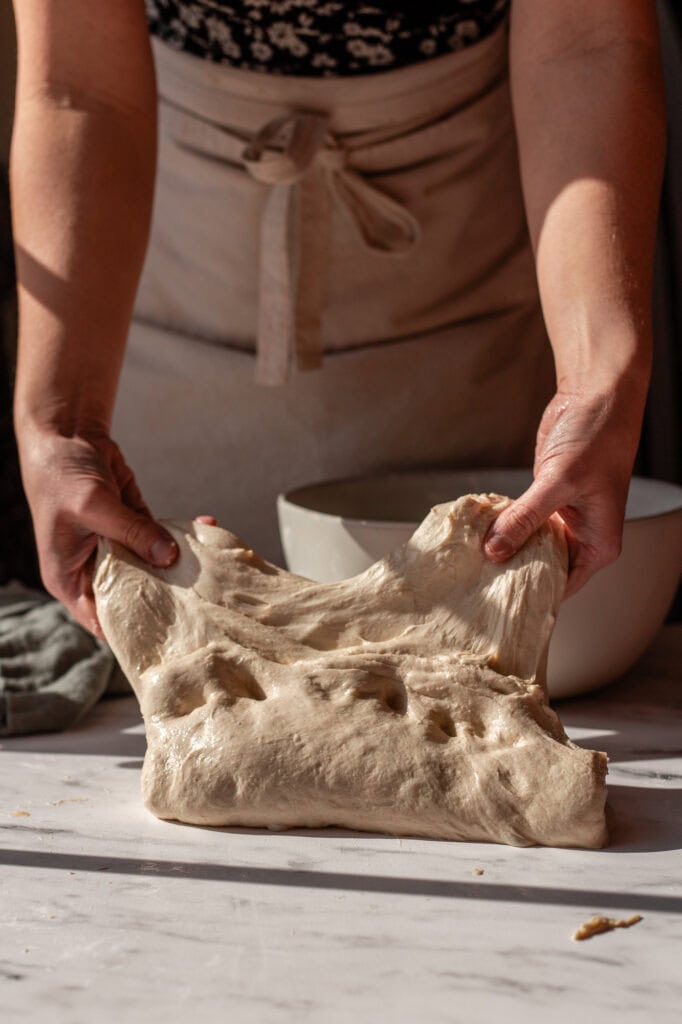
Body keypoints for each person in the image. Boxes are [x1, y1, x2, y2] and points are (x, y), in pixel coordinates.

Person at [9, 1, 665, 639]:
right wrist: (63, 421)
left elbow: (584, 44)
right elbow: (80, 85)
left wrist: (595, 378)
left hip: (467, 275)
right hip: (180, 260)